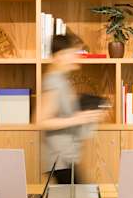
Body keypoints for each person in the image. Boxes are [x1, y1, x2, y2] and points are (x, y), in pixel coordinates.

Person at [38, 34, 106, 183]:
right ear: (60, 56)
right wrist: (76, 119)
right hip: (60, 159)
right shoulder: (54, 82)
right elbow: (41, 121)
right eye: (73, 53)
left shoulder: (62, 81)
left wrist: (87, 116)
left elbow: (65, 115)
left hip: (66, 158)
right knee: (77, 197)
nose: (77, 57)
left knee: (76, 196)